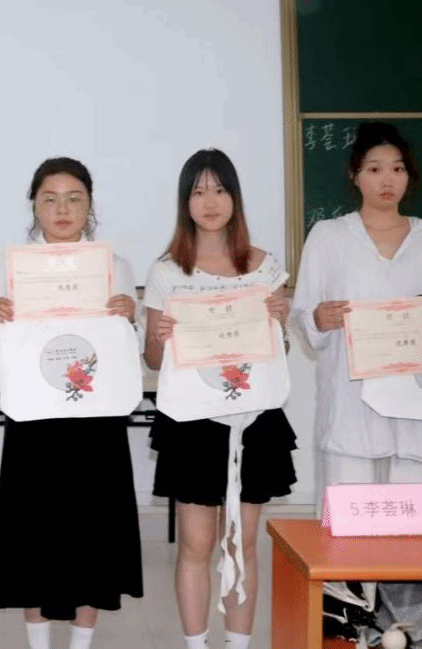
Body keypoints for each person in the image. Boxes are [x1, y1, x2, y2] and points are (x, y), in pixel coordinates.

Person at [0, 157, 143, 649]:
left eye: (74, 198)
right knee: (33, 539)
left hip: (96, 423)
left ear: (90, 205)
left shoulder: (115, 266)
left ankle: (81, 644)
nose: (62, 209)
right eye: (50, 199)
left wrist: (130, 321)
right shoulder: (10, 266)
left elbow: (132, 354)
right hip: (34, 422)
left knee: (95, 539)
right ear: (34, 206)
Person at [142, 149, 296, 649]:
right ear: (185, 202)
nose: (210, 201)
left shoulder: (264, 267)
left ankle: (238, 644)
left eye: (220, 189)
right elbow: (153, 360)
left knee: (243, 542)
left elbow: (278, 352)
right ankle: (196, 644)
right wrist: (160, 338)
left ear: (235, 197)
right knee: (197, 544)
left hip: (255, 419)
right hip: (193, 422)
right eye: (198, 191)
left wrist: (279, 323)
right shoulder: (168, 271)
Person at [292, 121, 422, 512]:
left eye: (398, 168)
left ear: (409, 176)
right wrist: (320, 319)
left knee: (409, 515)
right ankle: (344, 560)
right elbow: (307, 314)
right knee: (347, 517)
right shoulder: (328, 236)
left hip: (414, 394)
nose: (387, 179)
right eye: (374, 169)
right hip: (350, 395)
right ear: (355, 176)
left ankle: (405, 558)